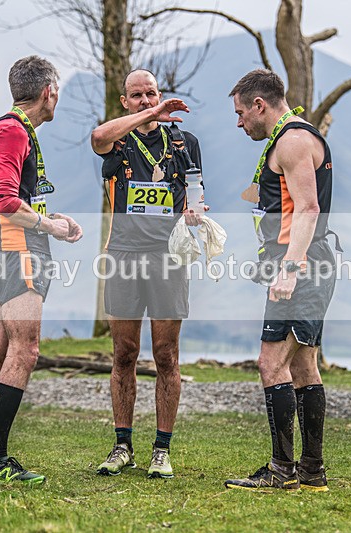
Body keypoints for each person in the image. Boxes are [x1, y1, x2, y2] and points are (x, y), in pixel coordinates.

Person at [0, 55, 83, 486]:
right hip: (16, 250)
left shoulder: (13, 131)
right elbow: (4, 202)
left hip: (9, 246)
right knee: (26, 349)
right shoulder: (12, 131)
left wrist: (52, 219)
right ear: (48, 92)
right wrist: (49, 227)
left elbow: (16, 199)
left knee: (0, 345)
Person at [223, 69, 337, 492]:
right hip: (308, 262)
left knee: (271, 363)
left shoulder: (291, 141)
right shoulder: (294, 136)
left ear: (259, 105)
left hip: (302, 267)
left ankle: (282, 470)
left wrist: (289, 267)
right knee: (303, 365)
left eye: (240, 113)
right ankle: (311, 470)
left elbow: (308, 208)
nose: (239, 123)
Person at [90, 69, 205, 479]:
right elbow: (97, 138)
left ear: (160, 93)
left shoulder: (184, 142)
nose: (145, 100)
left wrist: (195, 210)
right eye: (136, 95)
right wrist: (150, 115)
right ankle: (122, 445)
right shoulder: (119, 139)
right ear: (125, 101)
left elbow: (196, 189)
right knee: (123, 352)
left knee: (165, 354)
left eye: (151, 94)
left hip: (168, 256)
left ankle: (162, 449)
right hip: (123, 254)